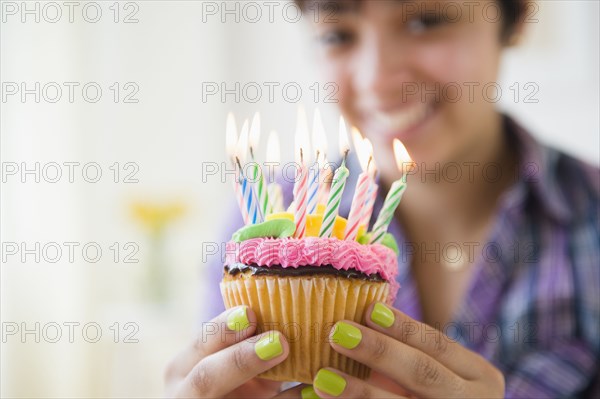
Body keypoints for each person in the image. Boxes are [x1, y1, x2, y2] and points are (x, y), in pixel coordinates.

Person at [165, 1, 600, 397]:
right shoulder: (265, 219)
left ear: (517, 17)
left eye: (425, 21)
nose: (378, 78)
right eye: (338, 34)